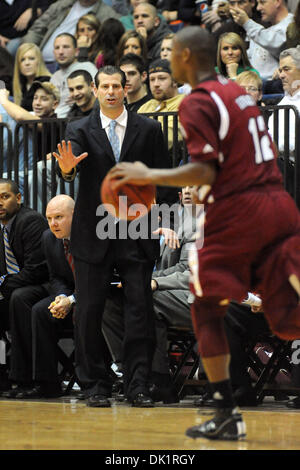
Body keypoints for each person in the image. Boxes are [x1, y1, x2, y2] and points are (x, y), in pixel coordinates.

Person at [108, 26, 300, 441]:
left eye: (172, 53)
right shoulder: (236, 93)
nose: (169, 59)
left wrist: (148, 173)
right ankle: (225, 409)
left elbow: (205, 171)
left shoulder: (198, 101)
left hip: (241, 211)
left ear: (185, 57)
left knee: (206, 308)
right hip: (278, 204)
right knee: (286, 312)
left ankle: (227, 411)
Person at [53, 65, 177, 408]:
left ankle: (139, 385)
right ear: (95, 89)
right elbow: (70, 167)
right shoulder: (78, 127)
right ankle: (95, 384)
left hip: (137, 230)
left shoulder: (149, 128)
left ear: (126, 90)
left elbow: (163, 178)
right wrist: (66, 169)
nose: (110, 91)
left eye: (115, 86)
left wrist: (166, 220)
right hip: (94, 232)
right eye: (104, 86)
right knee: (89, 310)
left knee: (140, 312)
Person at [102, 185, 197, 404]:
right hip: (162, 288)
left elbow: (189, 272)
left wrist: (150, 281)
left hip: (193, 293)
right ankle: (131, 372)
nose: (188, 192)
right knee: (107, 302)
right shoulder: (160, 221)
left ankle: (158, 380)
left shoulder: (201, 221)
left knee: (146, 300)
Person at [17, 195, 76, 399]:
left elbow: (97, 279)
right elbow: (56, 276)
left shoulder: (90, 236)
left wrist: (71, 300)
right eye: (49, 218)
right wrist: (61, 297)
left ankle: (96, 379)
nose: (53, 223)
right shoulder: (48, 237)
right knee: (40, 310)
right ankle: (47, 383)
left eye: (59, 217)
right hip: (68, 295)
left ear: (75, 216)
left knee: (87, 311)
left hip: (94, 295)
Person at [0, 178, 49, 396]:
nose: (0, 203)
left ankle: (27, 379)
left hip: (43, 286)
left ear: (18, 198)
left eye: (4, 196)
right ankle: (2, 377)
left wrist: (1, 285)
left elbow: (35, 270)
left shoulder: (31, 221)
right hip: (13, 289)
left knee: (20, 298)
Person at [21, 0, 120, 73]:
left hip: (68, 66)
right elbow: (36, 30)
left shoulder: (108, 15)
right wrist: (28, 51)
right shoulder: (62, 4)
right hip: (39, 61)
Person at [230, 0, 293, 79]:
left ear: (277, 1)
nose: (258, 8)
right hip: (256, 85)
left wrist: (246, 23)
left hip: (276, 87)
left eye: (262, 2)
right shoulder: (263, 30)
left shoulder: (292, 25)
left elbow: (275, 43)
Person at [138, 58, 185, 161]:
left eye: (162, 78)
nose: (156, 84)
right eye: (152, 79)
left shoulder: (185, 103)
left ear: (175, 80)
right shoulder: (146, 106)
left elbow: (169, 138)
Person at [50, 33, 98, 118]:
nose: (61, 52)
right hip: (54, 123)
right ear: (53, 53)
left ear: (76, 52)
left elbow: (99, 94)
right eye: (57, 48)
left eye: (66, 47)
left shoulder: (87, 67)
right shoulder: (54, 77)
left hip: (80, 119)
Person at [13, 43, 51, 111]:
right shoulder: (21, 84)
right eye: (22, 60)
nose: (27, 63)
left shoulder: (46, 82)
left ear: (39, 61)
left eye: (31, 58)